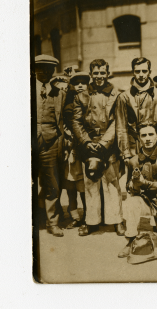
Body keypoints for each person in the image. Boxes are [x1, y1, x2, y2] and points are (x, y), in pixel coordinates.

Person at [72, 59, 125, 236]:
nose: (99, 77)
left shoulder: (116, 94)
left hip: (108, 145)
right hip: (89, 145)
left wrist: (103, 143)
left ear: (107, 73)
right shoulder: (82, 95)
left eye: (103, 73)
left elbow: (117, 121)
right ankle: (91, 221)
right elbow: (76, 121)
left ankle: (116, 220)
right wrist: (87, 142)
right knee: (91, 183)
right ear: (91, 74)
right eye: (96, 73)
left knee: (111, 183)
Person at [118, 122, 157, 258]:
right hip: (145, 201)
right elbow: (130, 188)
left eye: (151, 134)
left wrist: (143, 183)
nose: (148, 138)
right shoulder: (133, 161)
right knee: (131, 202)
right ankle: (131, 239)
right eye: (143, 135)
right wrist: (135, 184)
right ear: (139, 138)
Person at [115, 57, 157, 165]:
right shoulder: (124, 97)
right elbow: (121, 128)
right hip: (134, 147)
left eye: (144, 71)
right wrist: (126, 153)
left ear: (150, 72)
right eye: (137, 71)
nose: (141, 74)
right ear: (133, 72)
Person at [34, 54, 66, 237]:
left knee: (51, 183)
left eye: (49, 69)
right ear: (34, 69)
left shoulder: (59, 93)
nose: (45, 72)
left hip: (50, 143)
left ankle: (52, 222)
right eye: (41, 68)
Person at [62, 71, 89, 229]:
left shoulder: (90, 99)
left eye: (83, 83)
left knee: (84, 186)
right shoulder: (67, 100)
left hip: (84, 148)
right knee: (71, 185)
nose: (80, 86)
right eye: (77, 83)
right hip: (70, 148)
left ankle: (87, 215)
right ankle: (75, 216)